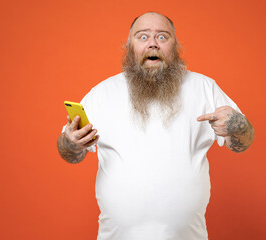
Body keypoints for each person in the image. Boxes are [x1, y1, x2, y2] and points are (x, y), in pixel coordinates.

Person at [57, 12, 254, 240]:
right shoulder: (101, 94)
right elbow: (70, 155)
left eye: (162, 37)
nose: (153, 43)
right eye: (142, 37)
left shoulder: (204, 88)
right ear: (129, 47)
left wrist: (238, 127)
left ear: (175, 46)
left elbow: (244, 142)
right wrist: (71, 143)